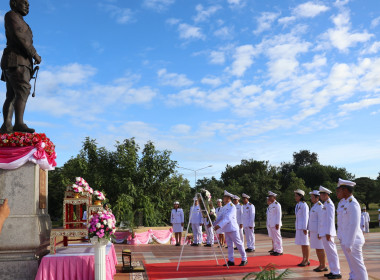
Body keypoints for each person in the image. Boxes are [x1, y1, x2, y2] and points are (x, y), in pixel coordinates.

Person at [0, 0, 42, 133]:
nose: (27, 6)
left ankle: (6, 126)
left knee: (12, 94)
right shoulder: (11, 15)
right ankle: (18, 123)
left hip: (21, 61)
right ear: (14, 3)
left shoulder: (21, 20)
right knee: (22, 91)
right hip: (16, 60)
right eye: (24, 3)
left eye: (28, 4)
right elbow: (21, 37)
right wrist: (34, 54)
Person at [336, 178, 368, 280]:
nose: (338, 192)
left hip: (353, 241)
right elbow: (342, 223)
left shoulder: (353, 203)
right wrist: (341, 238)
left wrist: (349, 243)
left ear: (345, 190)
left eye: (339, 190)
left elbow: (353, 225)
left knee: (359, 267)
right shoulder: (345, 203)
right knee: (353, 266)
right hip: (346, 240)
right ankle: (353, 277)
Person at [213, 190, 248, 266]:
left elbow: (228, 218)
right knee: (229, 245)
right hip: (226, 228)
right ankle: (231, 260)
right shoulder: (225, 207)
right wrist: (213, 223)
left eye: (224, 197)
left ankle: (244, 258)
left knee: (238, 244)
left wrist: (219, 226)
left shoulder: (232, 206)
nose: (223, 198)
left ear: (228, 198)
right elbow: (220, 217)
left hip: (232, 228)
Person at [318, 186, 341, 279]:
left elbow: (331, 220)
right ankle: (333, 270)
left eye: (321, 195)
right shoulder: (325, 204)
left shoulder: (329, 204)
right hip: (324, 232)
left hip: (328, 233)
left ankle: (336, 272)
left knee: (332, 252)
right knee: (329, 252)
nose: (320, 196)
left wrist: (329, 233)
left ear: (326, 194)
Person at [308, 190, 327, 272]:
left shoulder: (319, 206)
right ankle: (321, 264)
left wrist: (320, 232)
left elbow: (321, 220)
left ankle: (323, 265)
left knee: (320, 248)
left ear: (317, 197)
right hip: (313, 231)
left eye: (312, 197)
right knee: (317, 248)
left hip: (317, 232)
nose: (311, 198)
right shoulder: (314, 206)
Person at [294, 189, 310, 266]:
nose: (295, 197)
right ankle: (304, 259)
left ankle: (307, 260)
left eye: (296, 196)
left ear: (301, 196)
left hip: (303, 227)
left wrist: (305, 228)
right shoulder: (298, 205)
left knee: (305, 243)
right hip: (299, 227)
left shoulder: (304, 205)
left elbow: (306, 217)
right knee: (302, 244)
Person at [267, 191, 283, 256]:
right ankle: (276, 250)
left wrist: (277, 223)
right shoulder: (271, 205)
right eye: (269, 197)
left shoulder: (277, 204)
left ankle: (279, 250)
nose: (269, 198)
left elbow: (279, 215)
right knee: (274, 238)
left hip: (275, 224)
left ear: (274, 197)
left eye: (270, 197)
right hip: (271, 224)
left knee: (277, 237)